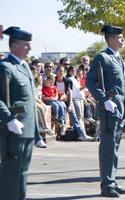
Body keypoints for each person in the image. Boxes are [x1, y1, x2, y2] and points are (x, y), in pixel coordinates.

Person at [86, 25, 125, 197]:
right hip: (109, 110)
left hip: (119, 110)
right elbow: (91, 82)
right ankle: (106, 184)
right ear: (110, 39)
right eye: (119, 38)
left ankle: (112, 180)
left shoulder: (118, 58)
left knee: (114, 147)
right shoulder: (102, 58)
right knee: (108, 147)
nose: (122, 40)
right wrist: (104, 100)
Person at [0, 26, 38, 200]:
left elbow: (30, 101)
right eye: (26, 44)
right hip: (13, 129)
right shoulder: (5, 67)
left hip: (27, 128)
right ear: (14, 45)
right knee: (11, 173)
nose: (29, 48)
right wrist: (8, 119)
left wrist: (37, 132)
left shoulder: (24, 67)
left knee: (23, 172)